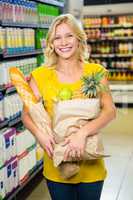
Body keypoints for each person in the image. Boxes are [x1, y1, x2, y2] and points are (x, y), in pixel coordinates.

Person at [22, 14, 116, 200]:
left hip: (91, 163)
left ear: (79, 38)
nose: (63, 42)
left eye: (69, 35)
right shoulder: (39, 76)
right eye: (57, 37)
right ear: (51, 42)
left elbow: (110, 111)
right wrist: (39, 135)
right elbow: (27, 115)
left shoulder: (95, 72)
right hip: (57, 164)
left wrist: (82, 133)